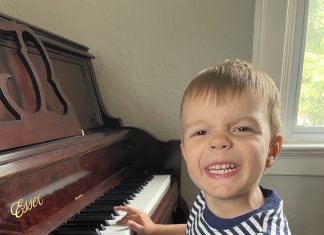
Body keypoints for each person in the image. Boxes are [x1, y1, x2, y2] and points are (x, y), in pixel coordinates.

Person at [114, 59, 291, 234]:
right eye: (200, 132)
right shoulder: (207, 197)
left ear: (272, 150)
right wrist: (155, 229)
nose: (218, 141)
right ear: (185, 153)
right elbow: (199, 229)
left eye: (242, 129)